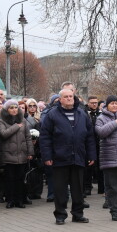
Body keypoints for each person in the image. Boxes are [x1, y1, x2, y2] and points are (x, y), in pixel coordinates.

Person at [40, 88, 96, 224]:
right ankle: (60, 215)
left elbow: (89, 136)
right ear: (60, 99)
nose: (69, 98)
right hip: (60, 158)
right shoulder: (52, 115)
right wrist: (47, 157)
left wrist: (91, 155)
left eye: (71, 96)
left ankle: (78, 214)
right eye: (66, 96)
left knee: (78, 189)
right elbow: (45, 137)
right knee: (60, 189)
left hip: (78, 157)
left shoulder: (82, 114)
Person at [0, 99, 34, 208]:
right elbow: (3, 134)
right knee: (10, 179)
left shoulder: (23, 121)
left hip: (21, 155)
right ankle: (10, 200)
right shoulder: (2, 121)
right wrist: (16, 126)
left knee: (20, 179)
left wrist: (30, 152)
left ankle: (19, 200)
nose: (14, 110)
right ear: (7, 110)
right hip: (9, 155)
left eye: (15, 107)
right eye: (11, 108)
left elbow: (28, 137)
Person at [84, 96, 103, 196]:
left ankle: (101, 188)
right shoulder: (85, 114)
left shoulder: (101, 114)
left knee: (100, 166)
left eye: (96, 102)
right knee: (89, 166)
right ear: (88, 103)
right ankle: (87, 187)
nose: (94, 104)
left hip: (99, 142)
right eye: (92, 103)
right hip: (89, 143)